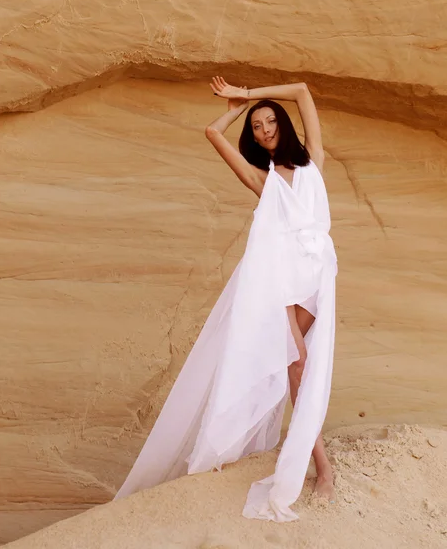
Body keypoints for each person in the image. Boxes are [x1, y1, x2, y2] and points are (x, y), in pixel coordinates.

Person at [114, 77, 338, 522]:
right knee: (296, 362)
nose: (265, 129)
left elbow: (303, 90)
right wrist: (235, 107)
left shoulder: (314, 162)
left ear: (283, 125)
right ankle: (321, 467)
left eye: (271, 121)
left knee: (290, 364)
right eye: (257, 126)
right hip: (277, 277)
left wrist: (251, 93)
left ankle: (260, 442)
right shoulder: (262, 179)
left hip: (316, 274)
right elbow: (212, 133)